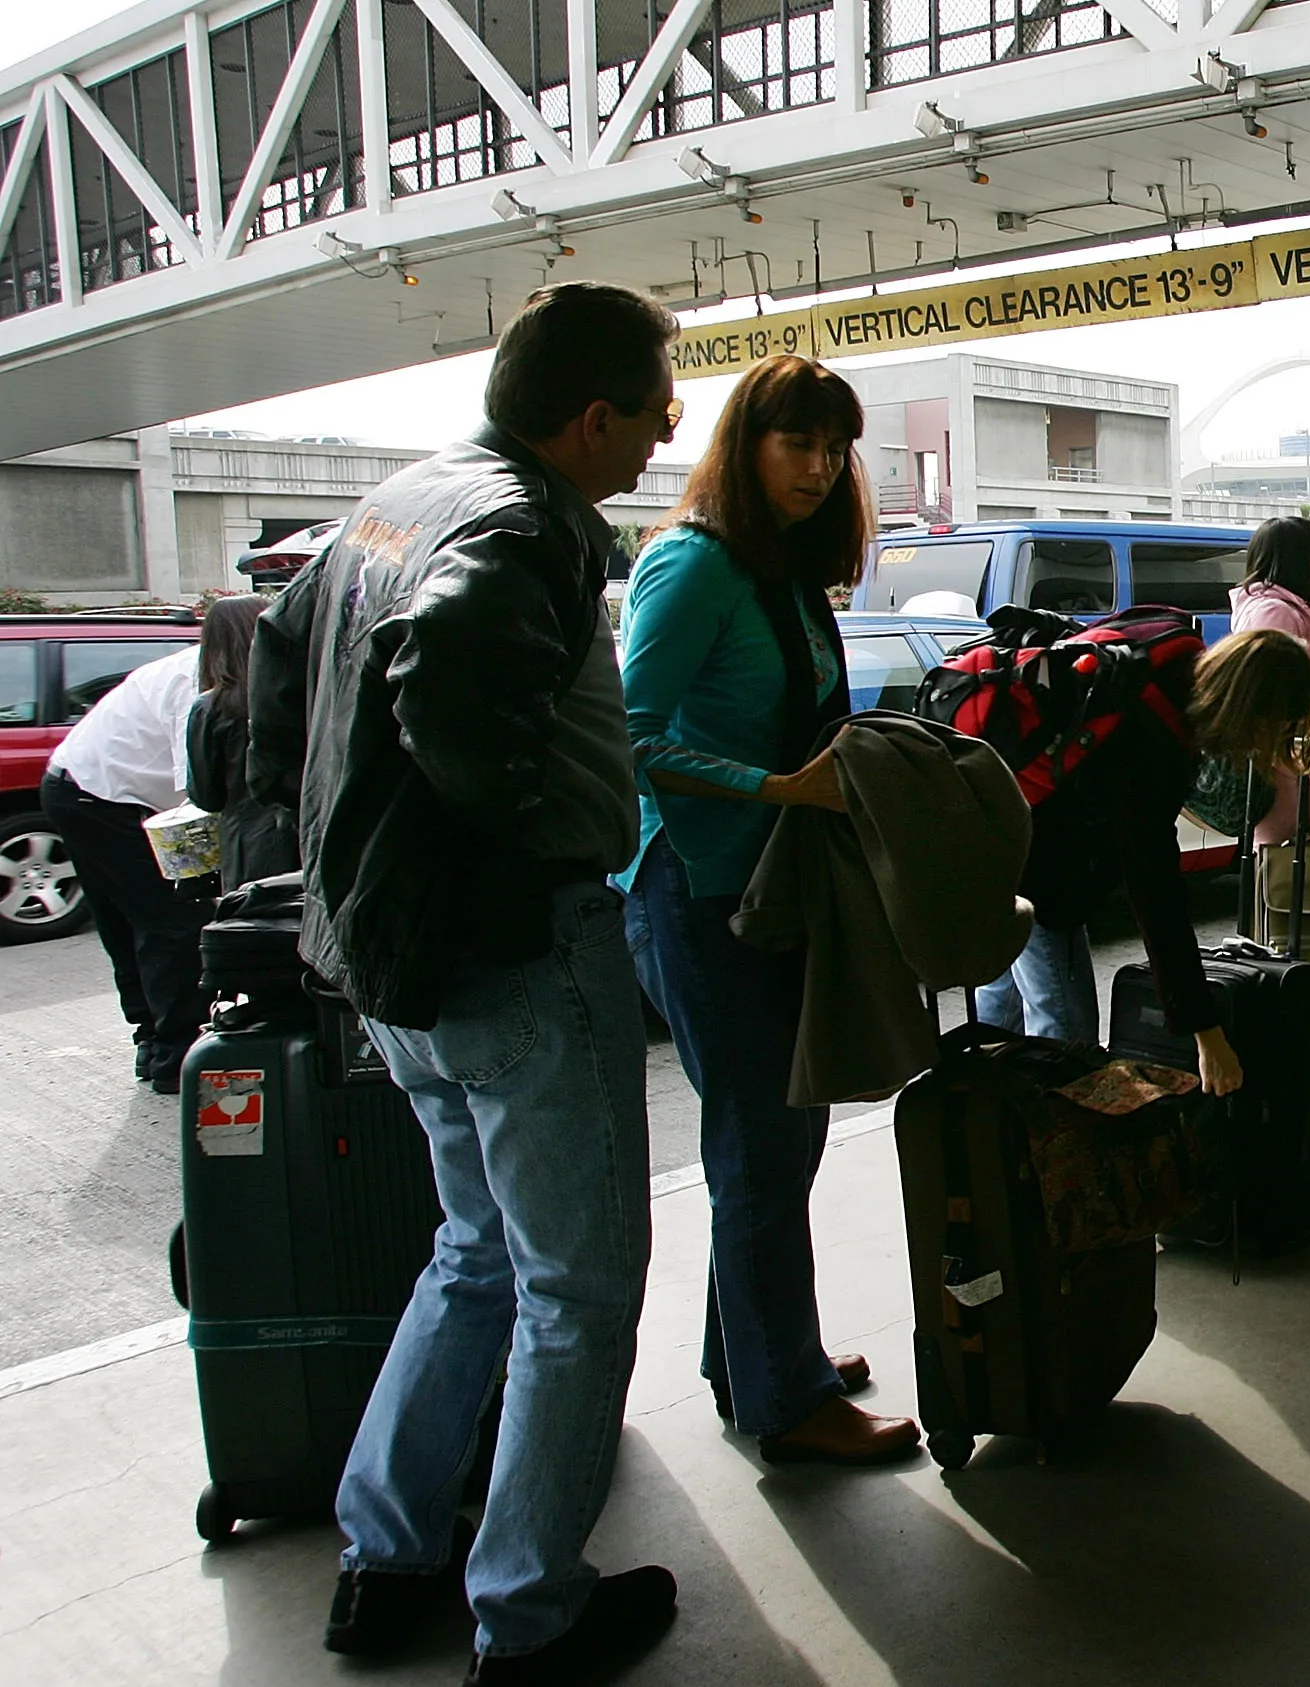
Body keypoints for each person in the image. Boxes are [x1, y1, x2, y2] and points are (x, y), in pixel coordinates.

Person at [251, 282, 680, 1680]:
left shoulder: (404, 495)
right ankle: (529, 1611)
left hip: (393, 957)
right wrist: (501, 862)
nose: (664, 433)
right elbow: (447, 674)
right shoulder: (520, 525)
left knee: (474, 1250)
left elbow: (271, 648)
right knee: (578, 1283)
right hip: (511, 957)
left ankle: (385, 1557)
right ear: (592, 416)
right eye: (654, 409)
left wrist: (333, 839)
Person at [612, 354, 917, 1468]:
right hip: (695, 892)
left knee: (781, 1138)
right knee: (762, 1144)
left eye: (837, 448)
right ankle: (782, 1400)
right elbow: (627, 737)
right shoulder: (692, 566)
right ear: (745, 445)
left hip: (769, 890)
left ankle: (752, 1356)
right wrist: (773, 787)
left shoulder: (782, 571)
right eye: (798, 443)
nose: (821, 466)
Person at [969, 623, 1310, 1079]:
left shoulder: (1171, 652)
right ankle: (1048, 1137)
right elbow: (1156, 898)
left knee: (999, 1008)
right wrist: (1206, 1033)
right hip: (1034, 866)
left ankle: (974, 1119)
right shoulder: (1149, 741)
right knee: (1066, 1035)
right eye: (1273, 729)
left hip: (997, 825)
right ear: (1248, 711)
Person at [40, 636, 204, 1092]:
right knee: (172, 920)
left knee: (122, 922)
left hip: (79, 784)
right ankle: (176, 1055)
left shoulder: (191, 665)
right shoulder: (193, 681)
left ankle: (152, 1041)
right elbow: (197, 783)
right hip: (102, 796)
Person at [1226, 515, 1310, 844]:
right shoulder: (1274, 613)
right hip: (1289, 774)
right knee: (1284, 879)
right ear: (1298, 561)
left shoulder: (1292, 609)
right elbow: (1276, 693)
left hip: (1304, 768)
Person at [187, 594, 299, 894]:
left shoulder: (212, 707)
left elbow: (206, 795)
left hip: (250, 848)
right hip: (306, 834)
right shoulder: (298, 693)